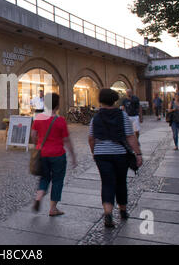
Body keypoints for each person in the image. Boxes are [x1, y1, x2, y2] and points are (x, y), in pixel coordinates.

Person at [89, 89, 143, 228]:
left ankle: (108, 214)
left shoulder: (96, 117)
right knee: (120, 182)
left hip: (102, 154)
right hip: (120, 154)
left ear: (100, 100)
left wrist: (94, 152)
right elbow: (130, 136)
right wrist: (138, 153)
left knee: (107, 183)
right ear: (115, 100)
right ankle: (123, 211)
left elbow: (91, 138)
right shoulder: (122, 115)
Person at [31, 93, 77, 217]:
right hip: (58, 155)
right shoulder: (60, 120)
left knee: (44, 178)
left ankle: (39, 197)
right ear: (57, 106)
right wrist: (73, 156)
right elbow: (67, 140)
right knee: (57, 180)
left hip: (43, 154)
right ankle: (53, 208)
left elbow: (33, 135)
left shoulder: (39, 117)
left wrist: (38, 145)